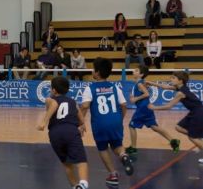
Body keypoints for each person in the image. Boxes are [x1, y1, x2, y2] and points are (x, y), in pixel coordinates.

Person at [81, 57, 133, 186]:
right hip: (116, 122)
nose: (92, 71)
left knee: (102, 148)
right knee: (117, 145)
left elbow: (85, 106)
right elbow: (124, 105)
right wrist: (120, 119)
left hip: (100, 123)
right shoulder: (115, 87)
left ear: (97, 73)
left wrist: (80, 123)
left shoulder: (90, 88)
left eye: (93, 69)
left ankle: (113, 174)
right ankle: (123, 156)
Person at [37, 77, 89, 189]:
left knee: (66, 163)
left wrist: (44, 122)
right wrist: (82, 126)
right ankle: (83, 184)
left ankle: (75, 186)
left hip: (55, 133)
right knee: (81, 161)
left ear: (54, 90)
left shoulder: (49, 99)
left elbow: (54, 104)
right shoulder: (72, 102)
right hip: (70, 131)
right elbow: (81, 120)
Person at [147, 72, 203, 164]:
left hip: (198, 113)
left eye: (173, 78)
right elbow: (165, 87)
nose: (170, 79)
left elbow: (169, 106)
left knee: (192, 138)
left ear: (180, 81)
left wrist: (154, 107)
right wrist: (151, 83)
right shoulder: (180, 87)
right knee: (178, 127)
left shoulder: (180, 93)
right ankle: (198, 136)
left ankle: (197, 137)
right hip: (194, 112)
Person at [125, 65, 180, 155]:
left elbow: (146, 94)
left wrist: (135, 99)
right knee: (154, 127)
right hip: (146, 107)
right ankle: (173, 141)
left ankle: (133, 148)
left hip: (143, 108)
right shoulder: (139, 82)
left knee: (132, 126)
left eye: (136, 70)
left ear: (141, 74)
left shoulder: (139, 83)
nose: (134, 71)